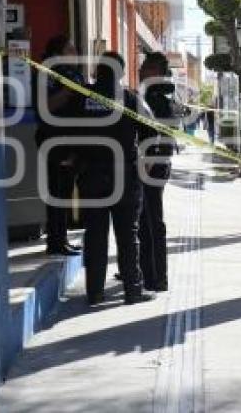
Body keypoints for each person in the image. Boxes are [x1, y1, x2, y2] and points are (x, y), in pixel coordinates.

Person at [78, 52, 156, 305]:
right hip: (124, 174)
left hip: (91, 174)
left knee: (95, 234)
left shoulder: (83, 97)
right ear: (120, 73)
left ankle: (95, 292)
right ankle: (133, 290)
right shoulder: (130, 98)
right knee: (127, 235)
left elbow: (69, 130)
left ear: (98, 71)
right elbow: (150, 130)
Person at [36, 35, 83, 256]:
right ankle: (55, 242)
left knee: (65, 191)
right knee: (57, 190)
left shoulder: (71, 73)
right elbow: (46, 105)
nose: (75, 54)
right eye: (70, 50)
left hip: (71, 139)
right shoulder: (48, 73)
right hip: (56, 138)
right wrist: (69, 91)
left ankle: (61, 238)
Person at [137, 52, 175, 292]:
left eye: (145, 67)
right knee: (146, 220)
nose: (141, 70)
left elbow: (160, 135)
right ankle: (146, 271)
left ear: (156, 72)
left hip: (153, 165)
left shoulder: (157, 97)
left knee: (150, 222)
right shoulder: (153, 93)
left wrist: (148, 162)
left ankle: (155, 276)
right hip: (154, 163)